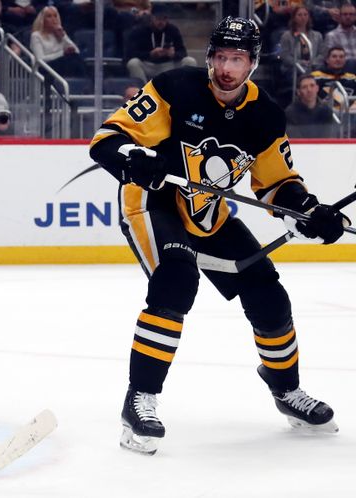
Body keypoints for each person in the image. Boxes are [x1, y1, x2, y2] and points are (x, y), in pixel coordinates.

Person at [89, 17, 348, 456]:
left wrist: (309, 211)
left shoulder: (264, 114)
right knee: (176, 279)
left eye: (237, 59)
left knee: (268, 293)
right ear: (210, 58)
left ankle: (285, 388)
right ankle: (140, 399)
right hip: (154, 202)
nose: (227, 68)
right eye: (221, 57)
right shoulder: (175, 87)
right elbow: (108, 138)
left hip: (208, 213)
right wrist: (135, 158)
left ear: (253, 62)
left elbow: (277, 183)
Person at [124, 4, 196, 84]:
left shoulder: (172, 30)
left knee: (190, 61)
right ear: (152, 17)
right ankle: (143, 91)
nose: (161, 22)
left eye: (164, 19)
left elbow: (183, 52)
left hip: (168, 64)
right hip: (148, 64)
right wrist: (150, 54)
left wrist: (173, 54)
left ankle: (185, 92)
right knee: (133, 63)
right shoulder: (140, 30)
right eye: (158, 18)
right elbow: (130, 54)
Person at [29, 6, 87, 78]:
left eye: (55, 16)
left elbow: (77, 51)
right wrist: (62, 53)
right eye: (49, 16)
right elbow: (40, 59)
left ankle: (86, 81)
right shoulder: (36, 36)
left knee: (75, 58)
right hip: (46, 67)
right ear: (43, 20)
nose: (53, 19)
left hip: (62, 65)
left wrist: (63, 36)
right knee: (70, 61)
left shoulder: (60, 32)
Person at [279, 5, 325, 80]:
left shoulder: (317, 35)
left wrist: (313, 62)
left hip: (314, 66)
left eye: (305, 14)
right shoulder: (286, 36)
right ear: (294, 18)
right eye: (299, 15)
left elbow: (322, 54)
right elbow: (285, 56)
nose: (303, 17)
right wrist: (299, 63)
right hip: (294, 68)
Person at [285, 73, 337, 138]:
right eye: (304, 87)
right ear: (298, 92)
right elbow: (295, 139)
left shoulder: (326, 111)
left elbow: (328, 137)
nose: (309, 90)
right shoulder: (290, 112)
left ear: (317, 88)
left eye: (312, 86)